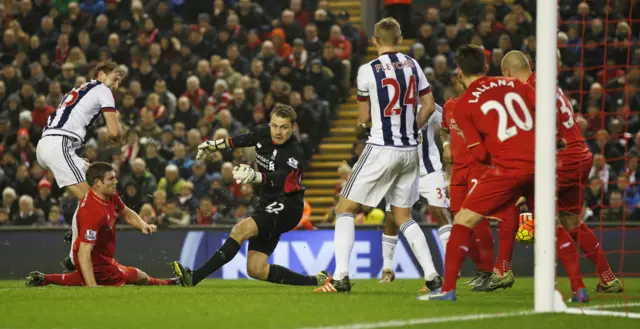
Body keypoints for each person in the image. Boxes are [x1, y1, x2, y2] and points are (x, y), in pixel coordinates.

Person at [419, 45, 588, 302]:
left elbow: (480, 156)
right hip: (540, 165)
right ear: (487, 68)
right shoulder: (515, 84)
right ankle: (579, 288)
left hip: (508, 169)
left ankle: (449, 290)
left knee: (463, 219)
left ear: (459, 72)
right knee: (553, 227)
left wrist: (491, 151)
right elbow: (544, 111)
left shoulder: (463, 106)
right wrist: (555, 138)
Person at [315, 17, 439, 293]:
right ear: (399, 38)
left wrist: (363, 128)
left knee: (344, 209)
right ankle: (431, 275)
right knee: (404, 216)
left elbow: (363, 120)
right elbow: (429, 106)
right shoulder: (414, 65)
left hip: (381, 148)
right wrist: (410, 127)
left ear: (374, 41)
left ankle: (341, 276)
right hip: (410, 151)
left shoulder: (367, 70)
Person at [501, 50, 622, 293]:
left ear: (508, 73)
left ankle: (550, 282)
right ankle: (608, 277)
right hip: (581, 156)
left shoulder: (527, 90)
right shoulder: (546, 83)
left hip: (562, 158)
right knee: (570, 221)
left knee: (542, 216)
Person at [171, 105, 329, 287]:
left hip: (288, 206)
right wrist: (213, 145)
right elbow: (242, 140)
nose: (278, 132)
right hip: (268, 203)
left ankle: (193, 278)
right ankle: (317, 281)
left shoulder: (295, 151)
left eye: (284, 127)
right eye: (274, 126)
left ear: (293, 128)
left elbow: (281, 177)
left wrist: (257, 176)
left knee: (240, 230)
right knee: (256, 269)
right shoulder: (262, 133)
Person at [25, 162, 177, 287]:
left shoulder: (109, 194)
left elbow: (125, 211)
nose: (116, 182)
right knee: (139, 276)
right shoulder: (94, 212)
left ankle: (44, 279)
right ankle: (172, 283)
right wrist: (93, 288)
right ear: (98, 183)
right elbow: (84, 252)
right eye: (111, 179)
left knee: (85, 279)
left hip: (101, 255)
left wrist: (143, 224)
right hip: (96, 260)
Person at [35, 61, 123, 270]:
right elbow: (114, 132)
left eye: (119, 80)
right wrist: (117, 130)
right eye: (114, 78)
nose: (116, 83)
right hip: (60, 144)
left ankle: (77, 226)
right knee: (94, 201)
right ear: (101, 75)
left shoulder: (81, 88)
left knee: (94, 181)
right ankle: (75, 257)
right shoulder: (103, 90)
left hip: (50, 144)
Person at [379, 102, 454, 292]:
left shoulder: (428, 105)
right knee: (391, 217)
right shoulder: (390, 107)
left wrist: (446, 145)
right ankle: (387, 268)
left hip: (429, 170)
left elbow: (447, 124)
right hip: (401, 173)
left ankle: (453, 264)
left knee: (440, 211)